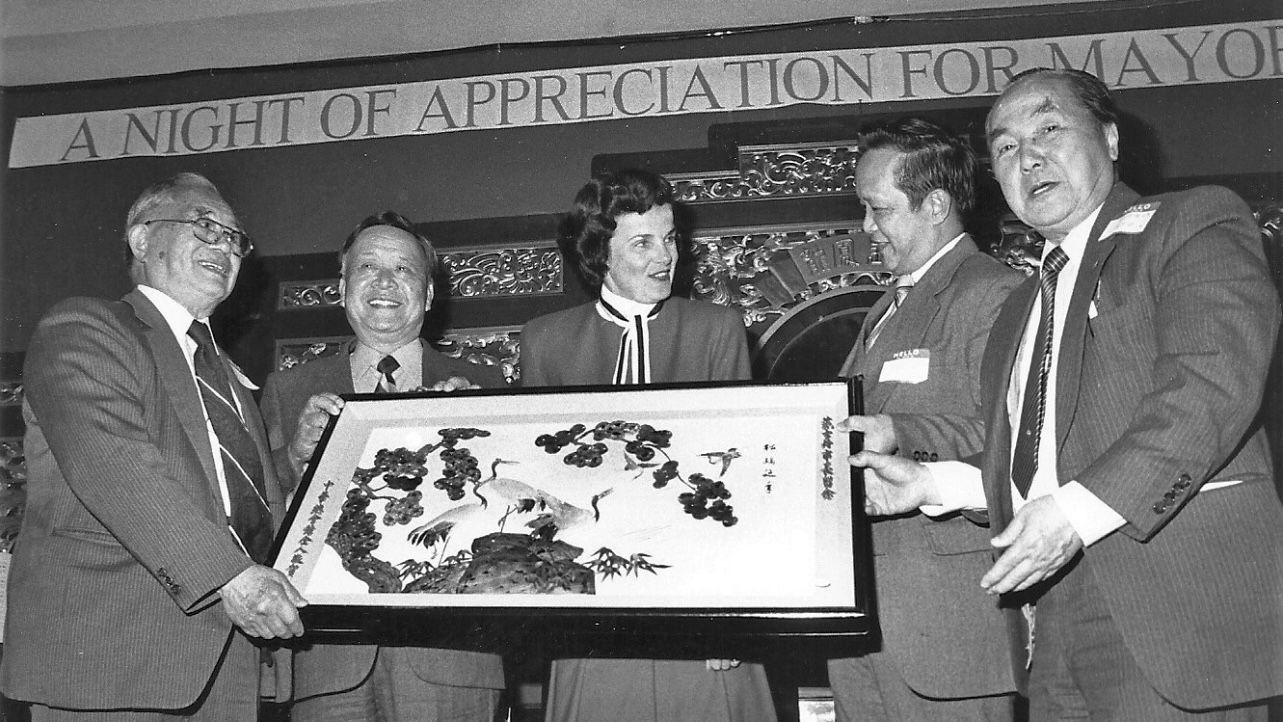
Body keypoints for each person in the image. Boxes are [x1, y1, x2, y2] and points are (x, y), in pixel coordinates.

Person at [852, 68, 1283, 720]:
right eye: (1003, 147)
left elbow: (1208, 390)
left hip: (1178, 618)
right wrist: (929, 485)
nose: (1026, 158)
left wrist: (1072, 515)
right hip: (1059, 623)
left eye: (1048, 130)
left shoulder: (1188, 222)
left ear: (1109, 139)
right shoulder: (1023, 303)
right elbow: (1035, 466)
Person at [1, 172, 306, 719]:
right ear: (141, 239)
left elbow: (231, 500)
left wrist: (294, 463)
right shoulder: (85, 327)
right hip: (113, 661)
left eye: (234, 238)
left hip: (227, 665)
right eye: (203, 226)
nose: (223, 246)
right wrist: (230, 578)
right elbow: (114, 466)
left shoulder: (229, 377)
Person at [520, 169, 773, 722]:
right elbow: (543, 484)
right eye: (643, 242)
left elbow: (737, 477)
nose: (666, 256)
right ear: (599, 256)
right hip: (590, 605)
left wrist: (730, 610)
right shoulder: (547, 342)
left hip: (703, 604)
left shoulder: (717, 329)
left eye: (671, 237)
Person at [260, 211, 507, 721]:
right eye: (368, 267)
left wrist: (481, 432)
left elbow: (515, 516)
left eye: (404, 269)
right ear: (343, 286)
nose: (385, 281)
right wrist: (293, 458)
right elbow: (254, 521)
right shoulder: (288, 390)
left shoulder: (487, 387)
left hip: (452, 658)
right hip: (326, 661)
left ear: (430, 294)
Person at [826, 118, 1022, 722]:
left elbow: (1018, 436)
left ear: (935, 205)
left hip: (949, 631)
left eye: (877, 209)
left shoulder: (998, 293)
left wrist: (901, 434)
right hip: (864, 628)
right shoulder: (887, 306)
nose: (865, 229)